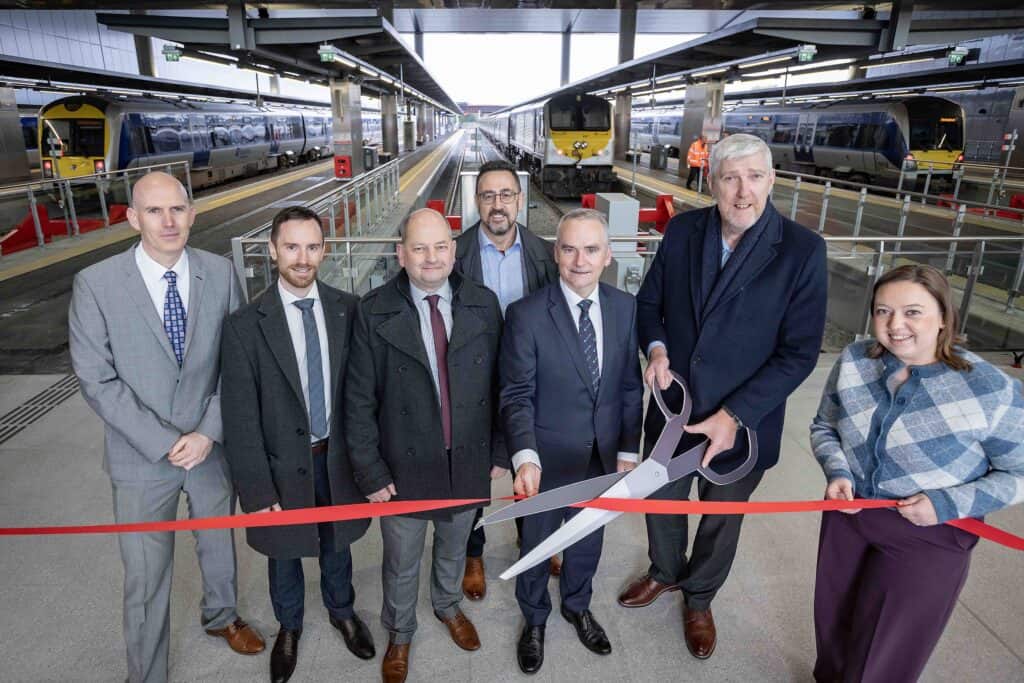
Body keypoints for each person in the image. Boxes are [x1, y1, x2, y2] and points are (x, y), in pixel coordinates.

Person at [620, 133, 827, 660]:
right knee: (661, 499)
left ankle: (699, 598)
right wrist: (658, 349)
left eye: (755, 177)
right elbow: (649, 305)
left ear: (772, 180)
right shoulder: (685, 231)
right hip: (676, 410)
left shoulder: (802, 250)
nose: (743, 191)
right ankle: (665, 572)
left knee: (722, 515)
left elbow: (799, 352)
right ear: (711, 182)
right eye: (730, 178)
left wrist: (735, 414)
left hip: (744, 424)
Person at [68, 172, 264, 683]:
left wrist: (207, 432)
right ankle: (146, 672)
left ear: (193, 213)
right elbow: (96, 378)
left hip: (209, 446)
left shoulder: (219, 273)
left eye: (178, 208)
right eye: (154, 211)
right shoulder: (97, 283)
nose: (169, 221)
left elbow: (238, 363)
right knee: (146, 575)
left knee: (218, 547)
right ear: (133, 218)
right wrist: (163, 441)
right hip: (141, 457)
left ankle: (221, 615)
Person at [810, 264, 1024, 682]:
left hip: (931, 531)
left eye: (913, 312)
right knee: (834, 622)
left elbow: (1019, 473)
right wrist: (838, 471)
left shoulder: (991, 388)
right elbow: (824, 425)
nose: (895, 325)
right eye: (883, 311)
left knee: (885, 649)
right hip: (847, 516)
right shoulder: (855, 361)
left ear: (944, 316)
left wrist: (946, 504)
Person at [344, 208, 506, 683]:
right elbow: (357, 401)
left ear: (454, 251)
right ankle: (399, 631)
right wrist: (371, 473)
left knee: (455, 547)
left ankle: (448, 605)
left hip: (467, 459)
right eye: (419, 248)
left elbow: (501, 386)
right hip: (402, 467)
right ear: (401, 254)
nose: (431, 258)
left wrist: (499, 451)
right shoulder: (373, 310)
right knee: (400, 560)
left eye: (440, 247)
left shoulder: (483, 302)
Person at [220, 206, 375, 683]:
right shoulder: (245, 325)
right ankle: (289, 627)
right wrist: (257, 491)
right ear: (272, 251)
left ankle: (342, 610)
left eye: (312, 247)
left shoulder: (349, 310)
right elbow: (240, 417)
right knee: (283, 551)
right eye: (291, 247)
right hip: (281, 464)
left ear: (325, 250)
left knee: (337, 542)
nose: (302, 258)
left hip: (336, 457)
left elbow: (363, 392)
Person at [500, 208, 644, 675]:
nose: (579, 260)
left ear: (607, 256)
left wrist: (627, 450)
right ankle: (534, 618)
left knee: (587, 541)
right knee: (537, 546)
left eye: (590, 249)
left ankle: (577, 606)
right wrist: (524, 454)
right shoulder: (526, 315)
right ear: (554, 253)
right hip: (544, 461)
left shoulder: (625, 308)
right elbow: (517, 393)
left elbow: (628, 386)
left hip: (601, 457)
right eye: (568, 249)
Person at [454, 158, 560, 599]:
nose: (497, 205)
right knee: (472, 470)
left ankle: (529, 535)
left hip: (526, 380)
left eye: (506, 195)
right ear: (476, 201)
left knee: (527, 459)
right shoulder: (455, 253)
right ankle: (472, 551)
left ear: (520, 200)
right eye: (488, 195)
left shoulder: (542, 254)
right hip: (468, 382)